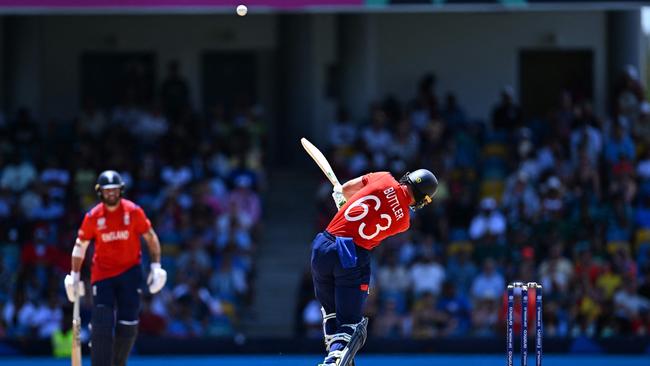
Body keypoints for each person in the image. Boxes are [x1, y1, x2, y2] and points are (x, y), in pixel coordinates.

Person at [311, 169, 438, 366]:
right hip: (350, 255)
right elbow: (369, 227)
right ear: (423, 199)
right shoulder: (403, 222)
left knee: (332, 314)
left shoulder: (384, 177)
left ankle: (335, 356)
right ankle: (333, 361)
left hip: (322, 247)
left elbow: (345, 190)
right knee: (353, 326)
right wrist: (346, 205)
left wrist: (342, 200)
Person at [63, 170, 167, 366]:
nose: (111, 194)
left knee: (128, 324)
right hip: (103, 273)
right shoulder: (93, 216)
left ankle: (119, 364)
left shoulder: (134, 211)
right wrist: (74, 274)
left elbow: (151, 237)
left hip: (130, 271)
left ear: (121, 190)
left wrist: (156, 266)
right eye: (107, 190)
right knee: (102, 322)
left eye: (115, 190)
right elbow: (81, 245)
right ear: (99, 192)